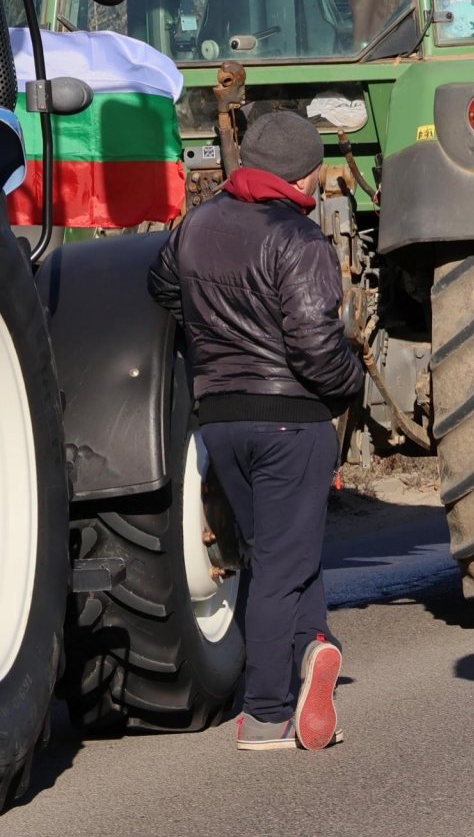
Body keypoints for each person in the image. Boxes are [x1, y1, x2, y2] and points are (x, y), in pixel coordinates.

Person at [147, 112, 362, 752]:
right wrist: (349, 383)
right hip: (290, 420)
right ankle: (266, 713)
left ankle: (313, 650)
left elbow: (161, 285)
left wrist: (209, 334)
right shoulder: (298, 239)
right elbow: (316, 346)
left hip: (221, 419)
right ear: (307, 172)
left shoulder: (198, 224)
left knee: (283, 554)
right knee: (277, 567)